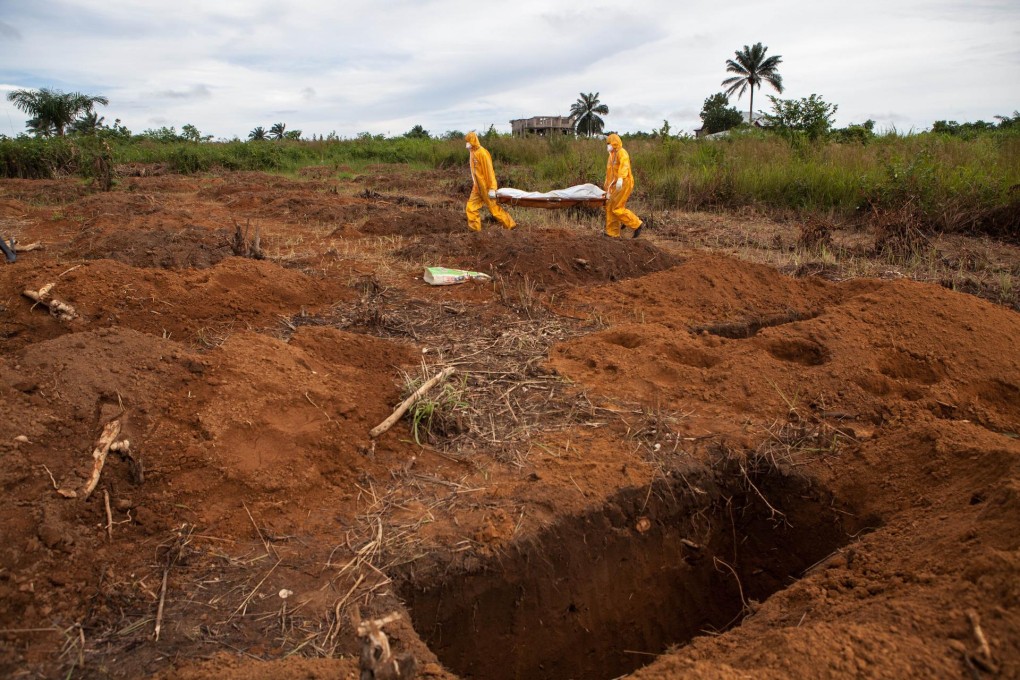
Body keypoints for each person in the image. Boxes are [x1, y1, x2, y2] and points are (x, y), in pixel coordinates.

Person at [464, 131, 516, 232]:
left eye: (468, 141)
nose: (467, 144)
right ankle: (475, 231)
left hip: (486, 188)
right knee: (471, 207)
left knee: (494, 210)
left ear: (473, 140)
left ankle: (510, 226)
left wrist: (492, 188)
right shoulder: (472, 153)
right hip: (477, 188)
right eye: (466, 141)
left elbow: (489, 171)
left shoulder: (482, 153)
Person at [603, 133, 643, 238]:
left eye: (609, 143)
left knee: (616, 207)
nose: (607, 145)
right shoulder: (611, 156)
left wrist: (620, 178)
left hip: (624, 183)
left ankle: (637, 224)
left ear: (614, 143)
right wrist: (607, 189)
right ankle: (612, 233)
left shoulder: (622, 152)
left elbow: (624, 165)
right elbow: (609, 174)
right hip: (615, 185)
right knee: (610, 206)